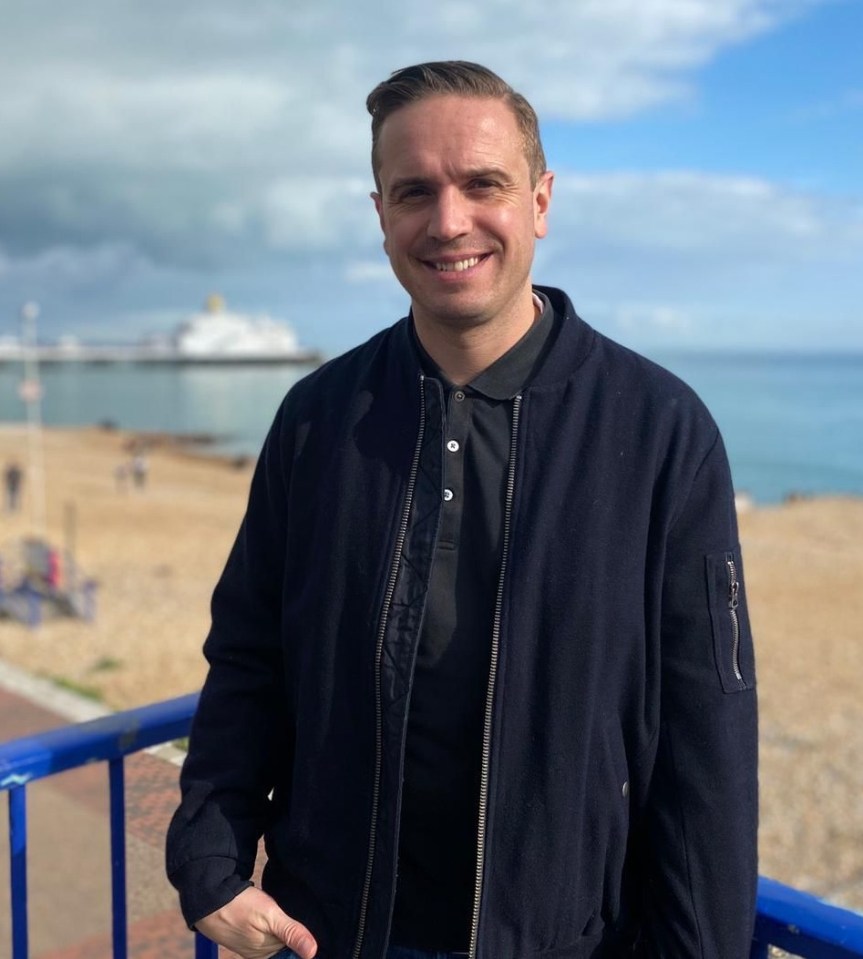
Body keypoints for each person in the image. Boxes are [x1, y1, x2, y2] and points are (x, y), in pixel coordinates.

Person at [166, 61, 758, 959]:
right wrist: (208, 860)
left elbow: (706, 735)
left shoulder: (658, 429)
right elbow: (251, 655)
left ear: (540, 200)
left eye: (483, 184)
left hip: (563, 936)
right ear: (380, 217)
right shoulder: (319, 418)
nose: (448, 222)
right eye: (414, 192)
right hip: (330, 928)